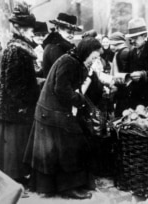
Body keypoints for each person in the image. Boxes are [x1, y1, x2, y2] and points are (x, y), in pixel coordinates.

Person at [23, 37, 103, 199]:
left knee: (59, 150)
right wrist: (78, 99)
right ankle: (68, 188)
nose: (94, 61)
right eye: (93, 57)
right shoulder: (69, 62)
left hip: (51, 112)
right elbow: (61, 88)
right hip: (52, 113)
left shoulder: (74, 60)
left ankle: (55, 186)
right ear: (86, 52)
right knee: (70, 146)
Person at [0, 2, 40, 184]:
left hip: (13, 107)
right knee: (14, 146)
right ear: (20, 29)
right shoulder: (17, 50)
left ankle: (15, 178)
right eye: (30, 30)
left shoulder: (16, 47)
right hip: (16, 108)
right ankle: (15, 180)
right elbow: (13, 83)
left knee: (13, 147)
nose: (32, 33)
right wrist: (23, 105)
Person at [42, 13, 82, 77]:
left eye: (73, 33)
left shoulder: (63, 46)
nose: (72, 35)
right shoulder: (54, 48)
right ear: (58, 29)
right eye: (68, 32)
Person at [109, 31, 129, 117]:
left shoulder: (122, 53)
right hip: (123, 88)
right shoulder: (123, 51)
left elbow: (123, 73)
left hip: (123, 89)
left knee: (120, 113)